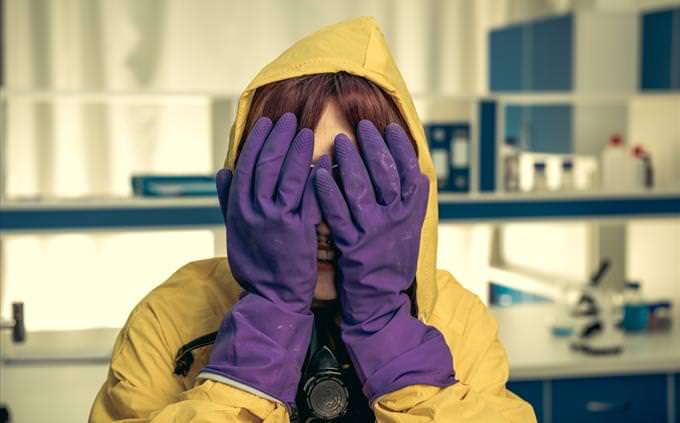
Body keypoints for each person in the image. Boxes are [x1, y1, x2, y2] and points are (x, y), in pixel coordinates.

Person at [90, 17, 537, 422]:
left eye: (354, 181)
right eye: (291, 178)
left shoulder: (455, 319)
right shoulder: (170, 318)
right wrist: (266, 327)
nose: (323, 218)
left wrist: (389, 332)